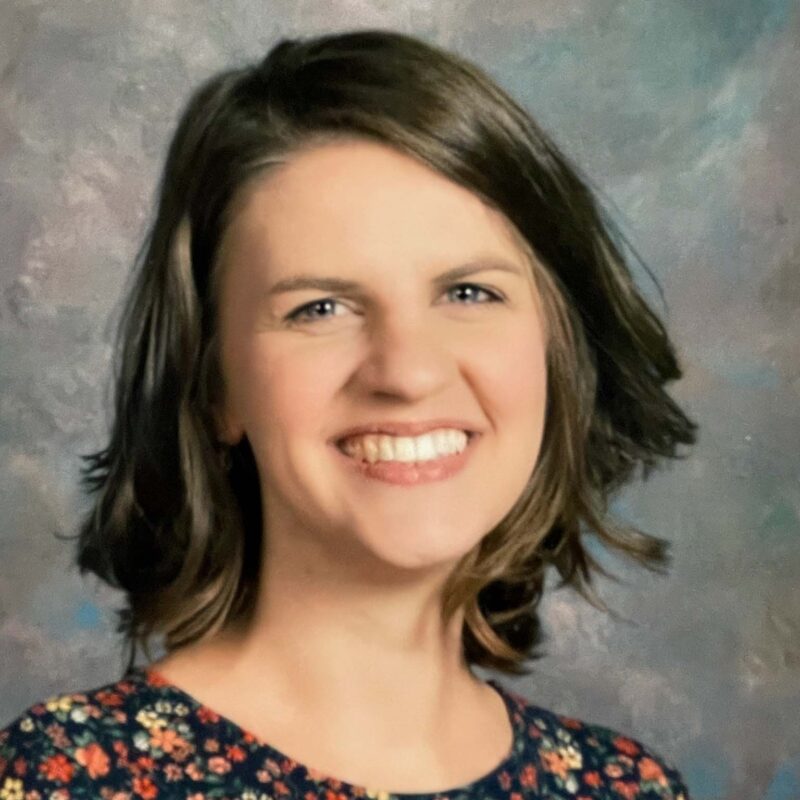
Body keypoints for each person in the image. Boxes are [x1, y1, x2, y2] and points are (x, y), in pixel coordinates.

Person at [0, 28, 697, 800]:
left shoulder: (627, 788)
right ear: (213, 387)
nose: (406, 371)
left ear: (557, 351)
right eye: (319, 307)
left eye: (469, 293)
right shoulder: (68, 779)